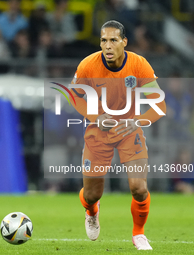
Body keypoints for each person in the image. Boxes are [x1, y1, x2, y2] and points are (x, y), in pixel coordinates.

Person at [70, 20, 166, 250]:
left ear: (124, 42)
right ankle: (91, 212)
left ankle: (139, 234)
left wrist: (137, 121)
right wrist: (96, 117)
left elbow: (159, 105)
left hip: (128, 132)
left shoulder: (139, 64)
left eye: (113, 40)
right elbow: (74, 96)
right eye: (103, 40)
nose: (108, 46)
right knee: (92, 195)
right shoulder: (88, 65)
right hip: (98, 133)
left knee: (139, 188)